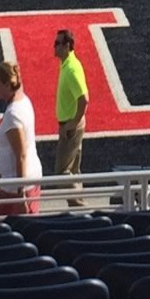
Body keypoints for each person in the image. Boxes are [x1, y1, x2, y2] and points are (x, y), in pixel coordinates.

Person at [0, 59, 43, 216]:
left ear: (7, 85)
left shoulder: (13, 114)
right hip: (15, 182)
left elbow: (21, 155)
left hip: (18, 186)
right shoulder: (22, 100)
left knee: (3, 231)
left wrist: (21, 197)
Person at [54, 29, 89, 198]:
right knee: (74, 170)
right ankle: (80, 210)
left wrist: (72, 124)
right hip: (72, 122)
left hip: (71, 124)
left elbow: (84, 99)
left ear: (67, 46)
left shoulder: (71, 69)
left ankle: (80, 207)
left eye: (58, 44)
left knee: (61, 172)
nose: (54, 47)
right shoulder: (69, 64)